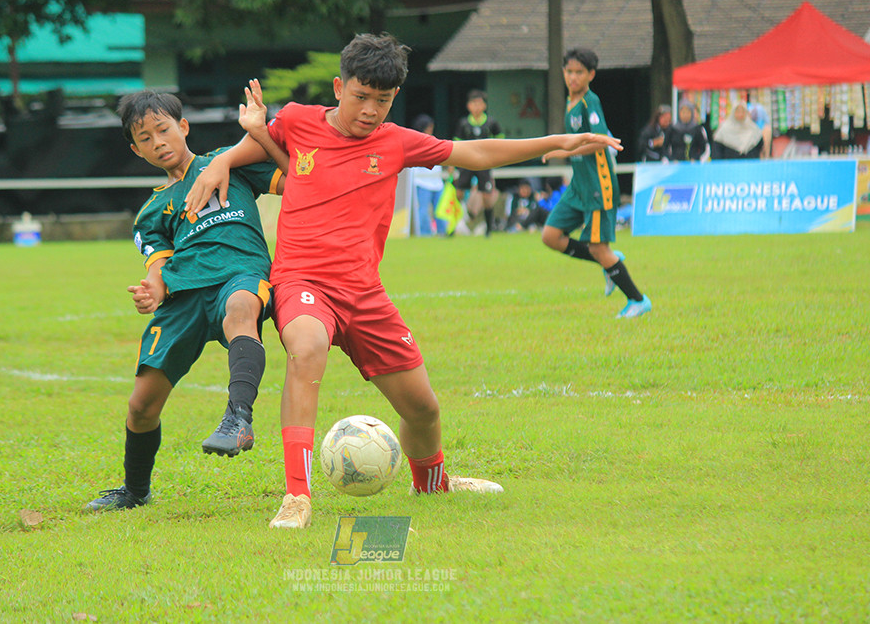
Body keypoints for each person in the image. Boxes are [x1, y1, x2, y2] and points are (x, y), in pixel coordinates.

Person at [185, 35, 622, 529]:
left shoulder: (396, 142)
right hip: (301, 280)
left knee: (423, 409)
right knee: (306, 349)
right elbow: (256, 141)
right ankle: (297, 497)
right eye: (361, 96)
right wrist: (221, 159)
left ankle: (433, 482)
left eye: (383, 100)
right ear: (339, 86)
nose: (371, 110)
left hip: (364, 294)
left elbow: (474, 154)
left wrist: (558, 142)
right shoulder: (298, 120)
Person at [84, 90, 288, 512]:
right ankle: (135, 491)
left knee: (241, 310)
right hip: (184, 297)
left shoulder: (228, 162)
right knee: (141, 406)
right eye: (145, 138)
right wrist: (151, 291)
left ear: (184, 127)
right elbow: (158, 266)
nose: (158, 141)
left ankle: (238, 417)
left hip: (240, 273)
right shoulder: (152, 210)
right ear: (137, 151)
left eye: (164, 129)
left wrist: (255, 134)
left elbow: (296, 176)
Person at [541, 47, 651, 319]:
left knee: (598, 248)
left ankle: (638, 300)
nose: (573, 77)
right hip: (579, 186)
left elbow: (598, 141)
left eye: (579, 72)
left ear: (591, 74)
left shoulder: (591, 102)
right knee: (551, 236)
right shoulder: (570, 103)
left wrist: (563, 150)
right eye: (569, 71)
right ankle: (611, 261)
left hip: (598, 186)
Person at [453, 89, 504, 236]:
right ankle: (456, 224)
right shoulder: (463, 124)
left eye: (479, 103)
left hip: (484, 164)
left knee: (487, 196)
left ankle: (489, 229)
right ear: (468, 106)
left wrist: (495, 158)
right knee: (459, 193)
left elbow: (501, 141)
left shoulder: (491, 123)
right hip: (466, 164)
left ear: (484, 106)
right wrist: (452, 165)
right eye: (473, 103)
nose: (476, 107)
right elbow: (456, 143)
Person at [407, 114, 447, 236]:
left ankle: (443, 233)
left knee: (440, 209)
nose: (431, 129)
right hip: (422, 182)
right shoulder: (415, 142)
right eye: (428, 127)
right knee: (423, 211)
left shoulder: (434, 140)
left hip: (437, 182)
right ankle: (425, 234)